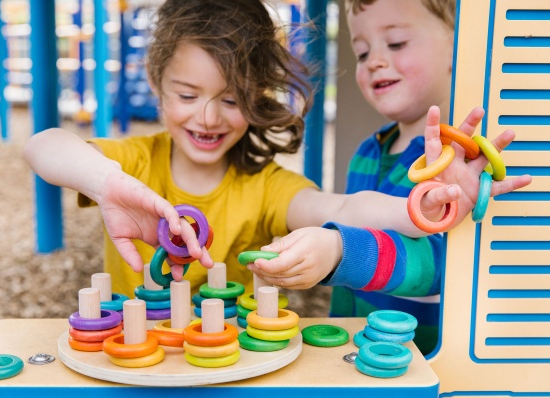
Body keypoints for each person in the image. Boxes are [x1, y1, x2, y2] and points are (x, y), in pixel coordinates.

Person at [25, 0, 483, 302]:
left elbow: (343, 206)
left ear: (258, 97)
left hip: (233, 365)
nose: (207, 117)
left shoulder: (266, 186)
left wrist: (424, 208)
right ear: (157, 87)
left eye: (231, 100)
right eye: (187, 96)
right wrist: (104, 182)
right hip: (135, 358)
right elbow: (43, 146)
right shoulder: (134, 163)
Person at [247, 0, 532, 355]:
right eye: (362, 52)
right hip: (354, 352)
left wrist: (341, 252)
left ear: (457, 47)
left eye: (396, 43)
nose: (375, 61)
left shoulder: (464, 165)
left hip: (417, 363)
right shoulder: (367, 152)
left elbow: (440, 266)